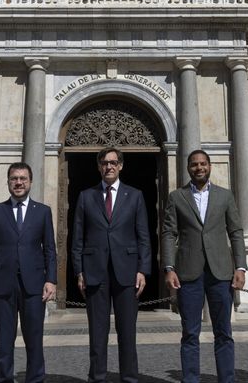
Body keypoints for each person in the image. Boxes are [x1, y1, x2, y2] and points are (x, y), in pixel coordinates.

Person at [161, 149, 247, 383]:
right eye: (194, 164)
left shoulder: (225, 196)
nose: (199, 168)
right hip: (188, 272)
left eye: (203, 164)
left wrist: (241, 267)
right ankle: (190, 379)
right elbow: (169, 233)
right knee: (190, 333)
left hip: (221, 272)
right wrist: (169, 267)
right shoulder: (176, 197)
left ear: (210, 167)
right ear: (188, 168)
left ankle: (226, 379)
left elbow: (236, 232)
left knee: (224, 332)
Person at [72, 147, 151, 383]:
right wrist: (79, 270)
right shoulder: (86, 196)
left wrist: (143, 270)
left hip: (127, 272)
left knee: (127, 333)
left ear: (121, 166)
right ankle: (97, 378)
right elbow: (77, 238)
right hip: (94, 271)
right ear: (98, 166)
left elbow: (143, 236)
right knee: (98, 334)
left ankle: (129, 378)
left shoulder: (135, 195)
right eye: (105, 162)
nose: (109, 166)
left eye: (114, 162)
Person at [0, 162, 57, 383]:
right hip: (2, 285)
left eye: (23, 178)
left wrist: (51, 280)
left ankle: (35, 380)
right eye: (14, 178)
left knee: (34, 341)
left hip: (34, 285)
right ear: (8, 182)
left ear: (31, 182)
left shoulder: (43, 212)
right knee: (4, 342)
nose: (19, 182)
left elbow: (50, 249)